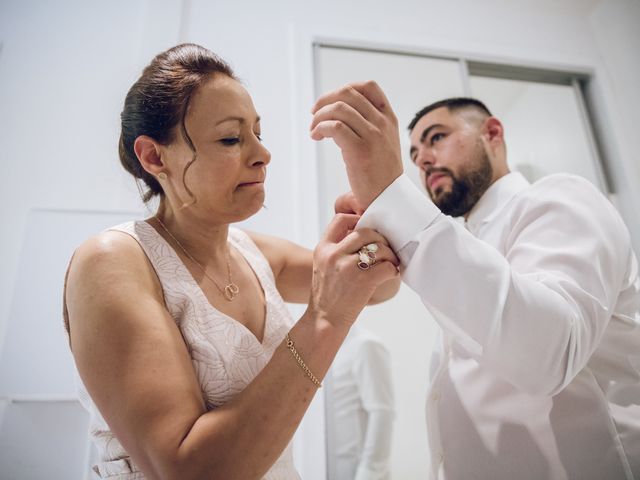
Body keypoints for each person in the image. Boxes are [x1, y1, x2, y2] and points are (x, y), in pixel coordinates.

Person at [62, 44, 401, 480]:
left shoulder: (258, 255)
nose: (262, 154)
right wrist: (326, 317)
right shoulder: (114, 261)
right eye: (230, 138)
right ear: (154, 157)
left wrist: (373, 178)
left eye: (258, 133)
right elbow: (186, 470)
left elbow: (384, 286)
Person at [310, 83, 640, 480]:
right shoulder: (464, 245)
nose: (424, 161)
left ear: (493, 134)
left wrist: (391, 196)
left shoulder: (562, 198)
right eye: (414, 155)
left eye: (437, 138)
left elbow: (549, 352)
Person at [326, 323, 394, 480]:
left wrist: (369, 472)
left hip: (354, 471)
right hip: (325, 468)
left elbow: (382, 412)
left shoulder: (365, 345)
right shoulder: (315, 348)